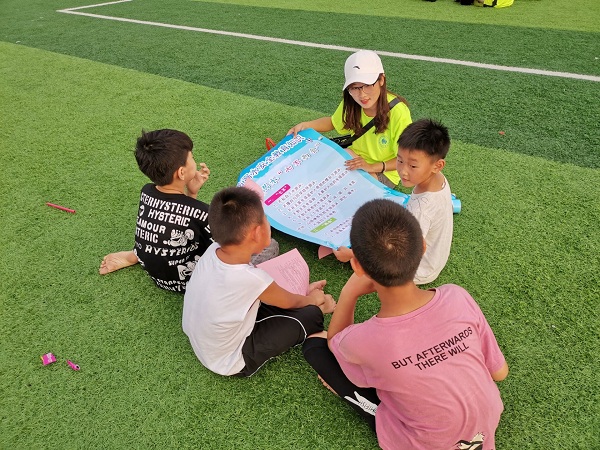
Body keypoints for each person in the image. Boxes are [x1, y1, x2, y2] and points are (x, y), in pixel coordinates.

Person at [302, 199, 509, 450]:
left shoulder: (363, 340)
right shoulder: (457, 295)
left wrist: (349, 293)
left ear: (357, 266)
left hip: (425, 444)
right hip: (487, 421)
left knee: (315, 346)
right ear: (423, 246)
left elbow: (335, 342)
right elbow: (499, 373)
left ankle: (360, 400)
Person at [182, 187, 336, 377]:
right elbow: (291, 302)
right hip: (230, 359)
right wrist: (314, 300)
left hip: (205, 339)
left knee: (277, 299)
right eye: (266, 219)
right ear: (256, 233)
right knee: (310, 315)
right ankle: (320, 310)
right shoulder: (251, 278)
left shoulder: (213, 250)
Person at [334, 119, 453, 285]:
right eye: (400, 160)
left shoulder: (421, 209)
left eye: (413, 166)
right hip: (432, 259)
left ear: (437, 165)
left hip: (417, 271)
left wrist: (352, 255)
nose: (403, 171)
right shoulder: (437, 179)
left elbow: (404, 254)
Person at [98, 129, 214, 292]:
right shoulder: (202, 211)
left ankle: (134, 256)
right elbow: (221, 242)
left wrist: (191, 192)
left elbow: (182, 216)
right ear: (181, 172)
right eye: (192, 158)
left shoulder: (146, 191)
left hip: (156, 274)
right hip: (190, 281)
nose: (194, 161)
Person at [288, 50, 412, 189]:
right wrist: (305, 125)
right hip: (354, 157)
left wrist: (370, 167)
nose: (362, 94)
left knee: (353, 190)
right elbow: (333, 122)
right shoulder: (352, 102)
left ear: (381, 80)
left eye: (367, 85)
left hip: (384, 171)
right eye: (354, 88)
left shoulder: (398, 112)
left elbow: (405, 158)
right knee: (319, 177)